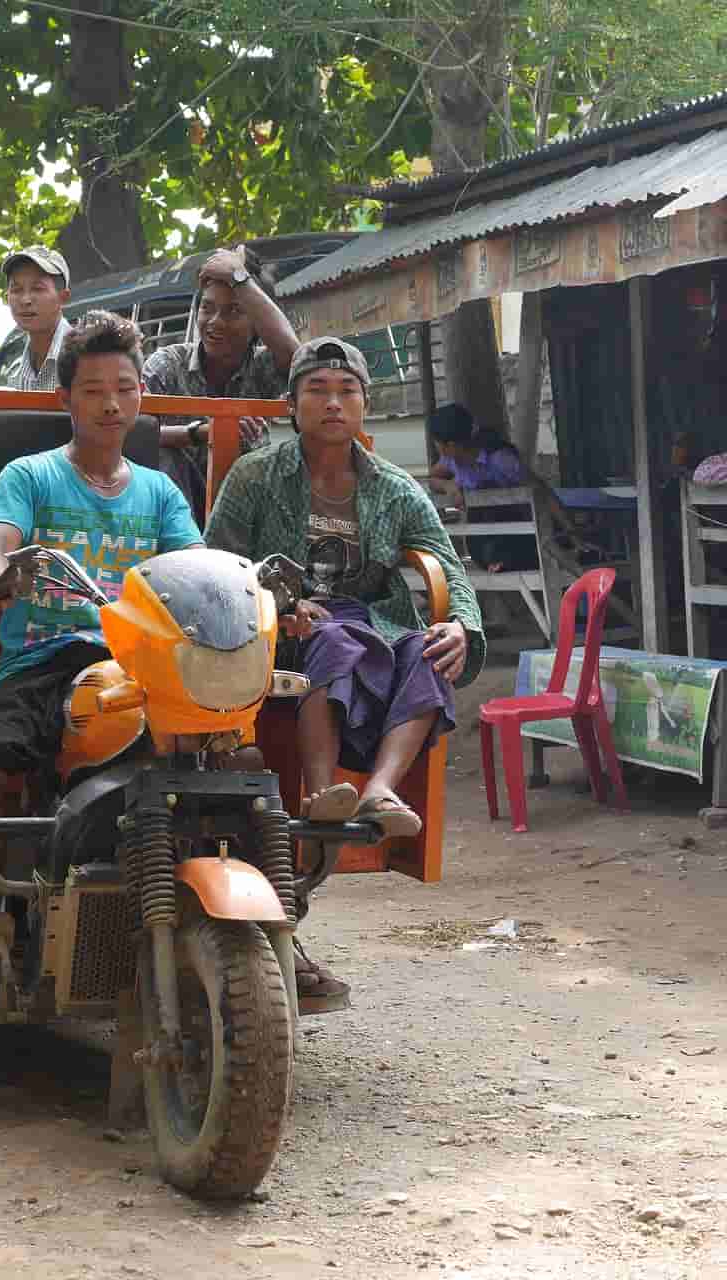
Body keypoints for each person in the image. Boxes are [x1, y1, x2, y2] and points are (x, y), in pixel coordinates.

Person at [206, 337, 485, 1007]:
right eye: (317, 389)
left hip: (372, 626)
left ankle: (379, 790)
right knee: (333, 637)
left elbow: (450, 566)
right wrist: (275, 600)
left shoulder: (393, 486)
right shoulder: (255, 475)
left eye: (347, 390)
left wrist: (462, 625)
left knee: (427, 651)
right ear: (292, 403)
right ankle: (323, 788)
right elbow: (216, 562)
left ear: (364, 403)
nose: (333, 402)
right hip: (281, 633)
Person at [0, 311, 202, 930]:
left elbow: (196, 567)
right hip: (42, 659)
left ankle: (248, 917)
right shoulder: (30, 475)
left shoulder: (161, 492)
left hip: (135, 668)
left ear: (142, 396)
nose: (112, 405)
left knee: (228, 761)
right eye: (93, 391)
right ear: (64, 398)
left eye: (125, 389)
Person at [143, 243, 299, 525]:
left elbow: (297, 359)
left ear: (257, 323)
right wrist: (203, 432)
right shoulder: (166, 364)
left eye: (233, 311)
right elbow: (133, 432)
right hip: (175, 514)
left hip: (245, 512)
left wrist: (241, 278)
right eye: (207, 308)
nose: (215, 322)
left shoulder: (264, 366)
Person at [427, 402, 532, 573]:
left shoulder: (500, 459)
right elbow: (432, 478)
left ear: (451, 446)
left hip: (517, 538)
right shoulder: (451, 461)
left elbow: (539, 490)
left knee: (490, 495)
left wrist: (568, 529)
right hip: (482, 544)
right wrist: (448, 485)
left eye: (437, 443)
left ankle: (502, 557)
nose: (436, 447)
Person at [0, 246, 73, 391]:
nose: (25, 300)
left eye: (38, 288)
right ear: (7, 298)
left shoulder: (85, 360)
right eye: (16, 290)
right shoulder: (13, 372)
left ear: (63, 297)